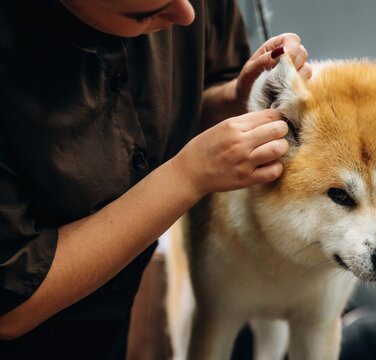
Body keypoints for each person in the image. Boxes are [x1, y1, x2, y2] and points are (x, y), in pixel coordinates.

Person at [0, 0, 311, 358]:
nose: (187, 16)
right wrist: (188, 176)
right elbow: (11, 305)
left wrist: (237, 98)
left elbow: (195, 94)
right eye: (143, 14)